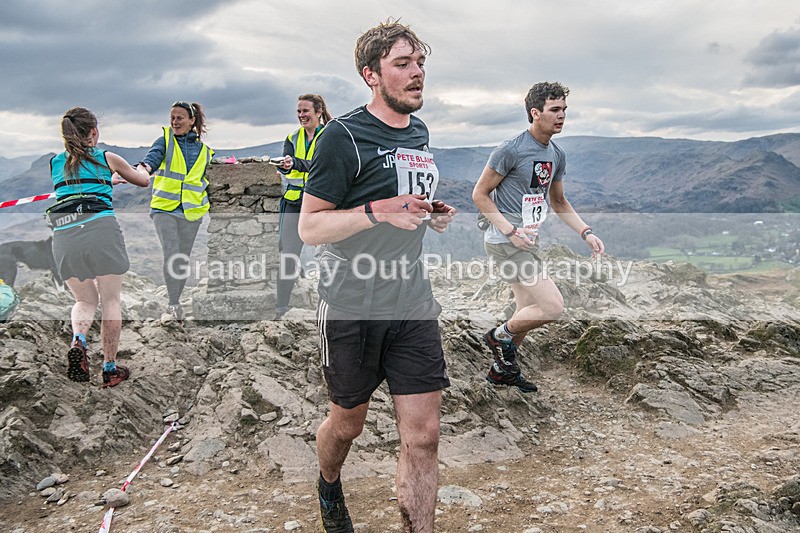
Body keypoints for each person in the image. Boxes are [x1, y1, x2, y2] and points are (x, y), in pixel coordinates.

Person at [298, 19, 456, 533]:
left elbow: (401, 202)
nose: (417, 75)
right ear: (371, 74)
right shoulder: (340, 137)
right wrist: (378, 211)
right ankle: (327, 482)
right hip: (350, 297)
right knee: (348, 424)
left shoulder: (420, 131)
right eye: (403, 64)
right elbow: (310, 227)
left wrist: (428, 213)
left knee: (424, 434)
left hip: (410, 296)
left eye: (421, 64)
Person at [472, 82, 604, 392]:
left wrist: (586, 232)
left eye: (564, 110)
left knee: (526, 312)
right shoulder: (510, 150)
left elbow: (558, 202)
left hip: (529, 241)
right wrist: (510, 230)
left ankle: (501, 372)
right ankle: (497, 337)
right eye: (554, 110)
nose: (561, 116)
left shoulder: (556, 154)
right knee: (552, 307)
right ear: (536, 113)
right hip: (506, 242)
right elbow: (479, 194)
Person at [48, 107, 151, 387]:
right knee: (110, 300)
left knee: (84, 300)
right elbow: (142, 181)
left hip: (65, 234)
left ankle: (78, 341)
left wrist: (108, 179)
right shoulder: (107, 158)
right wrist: (141, 168)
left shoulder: (56, 163)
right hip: (100, 230)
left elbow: (77, 185)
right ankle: (109, 368)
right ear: (94, 132)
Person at [138, 101, 213, 325]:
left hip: (191, 212)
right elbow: (151, 160)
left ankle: (176, 300)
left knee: (181, 258)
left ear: (192, 121)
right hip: (164, 208)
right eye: (172, 117)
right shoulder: (164, 141)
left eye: (180, 117)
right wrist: (142, 169)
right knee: (171, 253)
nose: (175, 122)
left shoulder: (205, 151)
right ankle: (172, 303)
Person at [274, 94, 332, 319]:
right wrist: (286, 166)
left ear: (318, 111)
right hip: (293, 202)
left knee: (328, 256)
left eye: (305, 111)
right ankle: (281, 308)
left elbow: (323, 165)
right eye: (298, 111)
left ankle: (329, 307)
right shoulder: (292, 137)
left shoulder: (329, 135)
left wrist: (296, 163)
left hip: (322, 203)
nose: (301, 115)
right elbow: (288, 168)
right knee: (288, 255)